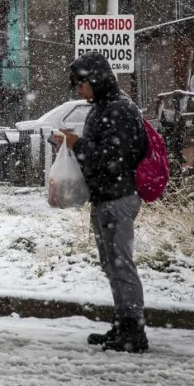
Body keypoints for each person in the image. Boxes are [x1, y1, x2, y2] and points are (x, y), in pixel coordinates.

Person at [55, 51, 149, 353]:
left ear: (95, 80)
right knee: (111, 265)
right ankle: (123, 325)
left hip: (118, 197)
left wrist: (76, 143)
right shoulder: (104, 107)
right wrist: (69, 145)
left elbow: (112, 157)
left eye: (81, 86)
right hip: (105, 197)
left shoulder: (118, 109)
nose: (80, 92)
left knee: (121, 266)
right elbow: (99, 152)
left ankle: (134, 330)